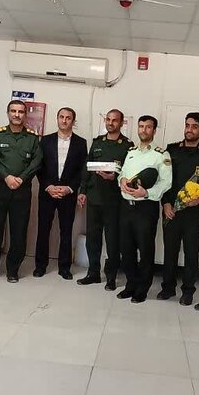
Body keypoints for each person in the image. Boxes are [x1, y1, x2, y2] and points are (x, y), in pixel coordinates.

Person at [0, 100, 42, 283]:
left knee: (19, 232)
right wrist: (6, 177)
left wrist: (21, 178)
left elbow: (36, 162)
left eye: (20, 111)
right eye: (13, 111)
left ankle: (13, 270)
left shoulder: (32, 138)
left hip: (21, 192)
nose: (17, 115)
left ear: (25, 114)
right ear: (8, 113)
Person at [159, 112, 199, 305]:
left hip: (194, 212)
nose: (189, 129)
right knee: (170, 251)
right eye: (187, 125)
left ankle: (188, 291)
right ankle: (167, 288)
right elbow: (165, 180)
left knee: (191, 252)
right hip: (171, 210)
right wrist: (165, 203)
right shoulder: (172, 150)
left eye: (194, 126)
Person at [117, 115, 172, 303]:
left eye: (148, 127)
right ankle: (130, 284)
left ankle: (142, 288)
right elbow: (123, 173)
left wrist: (146, 192)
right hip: (126, 207)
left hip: (145, 208)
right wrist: (121, 181)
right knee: (126, 249)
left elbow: (166, 182)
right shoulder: (131, 152)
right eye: (141, 126)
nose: (144, 130)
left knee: (145, 250)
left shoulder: (161, 155)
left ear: (154, 131)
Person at [77, 110, 133, 290]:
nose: (111, 123)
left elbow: (129, 172)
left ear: (121, 123)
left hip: (114, 201)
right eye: (108, 120)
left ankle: (111, 276)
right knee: (92, 239)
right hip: (94, 198)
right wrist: (82, 190)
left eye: (115, 120)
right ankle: (93, 273)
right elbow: (87, 167)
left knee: (112, 241)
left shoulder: (128, 146)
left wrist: (114, 178)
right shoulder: (97, 142)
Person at [34, 107, 88, 279]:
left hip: (68, 194)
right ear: (57, 119)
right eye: (61, 117)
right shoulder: (45, 141)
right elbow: (39, 167)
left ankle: (64, 267)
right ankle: (40, 266)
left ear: (73, 121)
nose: (64, 120)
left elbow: (82, 170)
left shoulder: (81, 143)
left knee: (66, 231)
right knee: (43, 229)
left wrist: (69, 188)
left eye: (68, 118)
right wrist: (48, 186)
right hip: (47, 192)